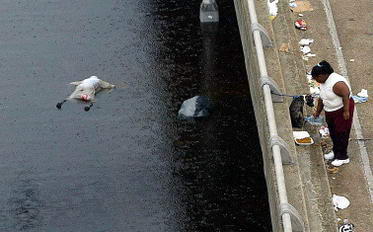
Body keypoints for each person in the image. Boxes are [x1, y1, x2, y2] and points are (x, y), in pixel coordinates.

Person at [311, 60, 355, 167]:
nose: (316, 80)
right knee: (333, 132)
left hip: (341, 110)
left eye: (316, 77)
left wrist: (346, 110)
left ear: (322, 75)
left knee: (342, 133)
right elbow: (321, 98)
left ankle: (343, 157)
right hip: (330, 110)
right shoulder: (323, 82)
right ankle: (336, 152)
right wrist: (317, 112)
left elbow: (346, 94)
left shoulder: (337, 83)